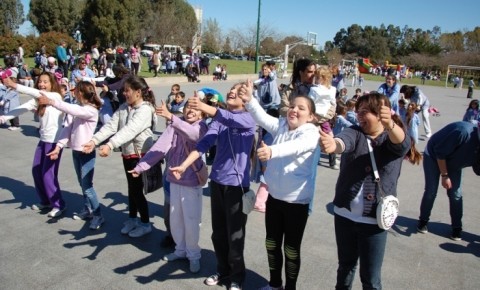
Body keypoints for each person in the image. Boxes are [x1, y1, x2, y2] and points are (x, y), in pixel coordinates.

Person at [319, 92, 421, 290]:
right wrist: (333, 144)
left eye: (365, 112)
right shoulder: (355, 132)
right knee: (345, 268)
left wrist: (390, 124)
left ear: (380, 115)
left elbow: (403, 144)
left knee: (371, 278)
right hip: (344, 216)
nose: (359, 115)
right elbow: (343, 142)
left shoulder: (390, 138)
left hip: (374, 222)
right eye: (358, 111)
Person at [169, 82, 255, 290]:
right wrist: (182, 166)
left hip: (236, 185)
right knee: (218, 233)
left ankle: (237, 277)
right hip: (217, 182)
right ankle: (223, 271)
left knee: (235, 235)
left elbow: (227, 117)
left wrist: (201, 105)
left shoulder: (248, 118)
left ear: (245, 98)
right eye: (230, 92)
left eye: (236, 92)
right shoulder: (218, 121)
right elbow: (203, 145)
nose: (231, 94)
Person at [239, 80, 320, 290]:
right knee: (272, 245)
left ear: (311, 116)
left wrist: (272, 151)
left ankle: (290, 288)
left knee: (291, 250)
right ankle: (275, 284)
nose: (294, 110)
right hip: (275, 199)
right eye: (293, 106)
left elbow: (296, 146)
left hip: (296, 203)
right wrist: (249, 100)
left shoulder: (310, 132)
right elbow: (263, 118)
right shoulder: (282, 125)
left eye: (301, 108)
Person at [129, 97, 208, 273]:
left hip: (192, 182)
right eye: (188, 107)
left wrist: (172, 118)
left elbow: (193, 135)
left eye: (195, 108)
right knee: (175, 218)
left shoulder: (201, 126)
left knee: (191, 220)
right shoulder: (175, 125)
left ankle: (194, 255)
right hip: (173, 181)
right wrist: (141, 166)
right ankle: (180, 250)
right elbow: (160, 147)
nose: (190, 111)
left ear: (202, 113)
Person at [83, 75, 156, 238]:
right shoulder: (124, 107)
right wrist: (94, 141)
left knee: (137, 191)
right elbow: (110, 126)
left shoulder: (145, 109)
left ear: (138, 92)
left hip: (140, 155)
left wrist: (110, 145)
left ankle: (145, 223)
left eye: (127, 90)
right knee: (132, 189)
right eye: (124, 90)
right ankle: (132, 219)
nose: (124, 93)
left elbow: (130, 129)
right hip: (127, 154)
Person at [37, 81, 105, 229]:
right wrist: (58, 147)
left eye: (75, 91)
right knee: (82, 184)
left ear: (80, 93)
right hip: (76, 152)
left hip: (87, 152)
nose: (73, 93)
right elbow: (67, 129)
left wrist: (51, 102)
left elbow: (71, 109)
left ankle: (98, 215)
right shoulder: (77, 110)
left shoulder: (90, 110)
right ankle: (88, 209)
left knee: (87, 186)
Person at [0, 72, 66, 217]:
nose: (42, 84)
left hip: (54, 142)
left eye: (45, 81)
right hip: (43, 141)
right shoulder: (38, 100)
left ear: (52, 83)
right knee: (36, 171)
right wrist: (4, 117)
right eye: (40, 81)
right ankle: (45, 201)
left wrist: (14, 85)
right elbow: (22, 108)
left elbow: (35, 91)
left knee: (48, 174)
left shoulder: (55, 96)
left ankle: (58, 204)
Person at [417, 121, 480, 241]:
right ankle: (423, 221)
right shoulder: (463, 132)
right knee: (431, 191)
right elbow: (440, 153)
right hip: (434, 156)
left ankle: (457, 228)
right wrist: (445, 175)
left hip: (455, 163)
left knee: (456, 194)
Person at [329, 101, 353, 170]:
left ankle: (334, 160)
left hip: (336, 134)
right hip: (336, 135)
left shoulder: (337, 117)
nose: (346, 111)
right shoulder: (340, 118)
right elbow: (347, 124)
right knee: (332, 150)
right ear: (341, 110)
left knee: (334, 150)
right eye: (344, 109)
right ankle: (332, 164)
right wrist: (355, 126)